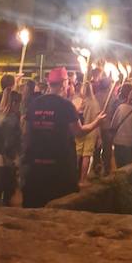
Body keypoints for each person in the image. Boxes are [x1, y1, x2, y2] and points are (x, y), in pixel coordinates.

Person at [21, 67, 105, 208]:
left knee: (34, 207)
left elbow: (26, 132)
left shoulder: (35, 103)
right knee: (59, 207)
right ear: (64, 83)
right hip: (59, 166)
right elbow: (78, 132)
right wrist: (97, 122)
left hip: (35, 165)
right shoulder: (66, 106)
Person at [0, 88, 21, 206]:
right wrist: (14, 160)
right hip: (4, 160)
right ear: (14, 103)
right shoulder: (12, 119)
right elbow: (10, 143)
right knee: (6, 196)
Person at [73, 79, 100, 183]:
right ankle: (82, 179)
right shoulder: (95, 103)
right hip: (91, 131)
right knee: (86, 156)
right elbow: (98, 119)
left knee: (77, 154)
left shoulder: (78, 101)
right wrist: (99, 135)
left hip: (79, 130)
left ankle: (73, 176)